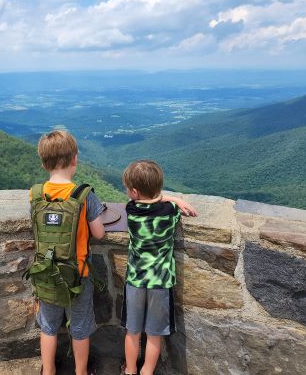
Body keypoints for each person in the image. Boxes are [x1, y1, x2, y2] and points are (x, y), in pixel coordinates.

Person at [31, 130, 105, 375]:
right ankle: (81, 372)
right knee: (80, 327)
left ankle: (49, 370)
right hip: (78, 274)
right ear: (75, 159)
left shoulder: (36, 194)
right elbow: (99, 234)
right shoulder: (85, 195)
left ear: (43, 163)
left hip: (46, 273)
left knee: (48, 326)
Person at [120, 160, 197, 375]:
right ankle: (147, 372)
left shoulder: (132, 211)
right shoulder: (170, 211)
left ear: (134, 192)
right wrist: (174, 198)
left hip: (135, 280)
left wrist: (161, 197)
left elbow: (147, 200)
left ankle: (130, 370)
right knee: (154, 334)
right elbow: (162, 201)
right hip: (161, 282)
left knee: (132, 332)